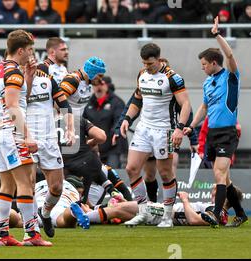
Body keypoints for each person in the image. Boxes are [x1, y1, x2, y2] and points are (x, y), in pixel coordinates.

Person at [0, 30, 51, 247]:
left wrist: (29, 77)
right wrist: (28, 137)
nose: (32, 54)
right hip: (12, 133)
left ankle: (2, 234)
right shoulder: (14, 72)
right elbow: (14, 105)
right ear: (21, 50)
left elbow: (18, 98)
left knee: (6, 186)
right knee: (25, 185)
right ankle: (31, 234)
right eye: (30, 50)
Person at [184, 17, 248, 228]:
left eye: (204, 64)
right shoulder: (207, 83)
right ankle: (240, 214)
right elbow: (203, 108)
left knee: (219, 174)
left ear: (213, 63)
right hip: (211, 132)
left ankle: (216, 213)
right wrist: (192, 125)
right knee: (225, 179)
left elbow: (229, 54)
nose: (202, 68)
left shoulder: (230, 76)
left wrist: (216, 34)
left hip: (227, 132)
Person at [120, 43, 191, 227]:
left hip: (164, 130)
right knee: (131, 168)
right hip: (144, 128)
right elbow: (137, 99)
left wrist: (179, 128)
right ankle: (144, 211)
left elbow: (186, 105)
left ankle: (167, 216)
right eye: (144, 63)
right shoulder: (142, 74)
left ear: (158, 59)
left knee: (165, 173)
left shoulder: (173, 78)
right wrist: (128, 118)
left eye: (150, 64)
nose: (146, 67)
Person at [26, 58, 75, 238]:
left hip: (49, 139)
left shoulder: (48, 81)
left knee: (56, 187)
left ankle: (45, 213)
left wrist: (70, 129)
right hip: (27, 139)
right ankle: (32, 230)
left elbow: (65, 106)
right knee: (28, 186)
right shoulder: (17, 82)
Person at [70, 187, 236, 227]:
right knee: (122, 208)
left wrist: (185, 200)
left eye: (217, 191)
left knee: (120, 209)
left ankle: (86, 217)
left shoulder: (217, 212)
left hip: (164, 214)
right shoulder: (217, 211)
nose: (213, 192)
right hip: (163, 212)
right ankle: (88, 215)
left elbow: (193, 220)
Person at [83, 76, 125, 168]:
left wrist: (114, 133)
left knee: (112, 172)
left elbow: (119, 121)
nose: (98, 87)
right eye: (95, 84)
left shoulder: (117, 102)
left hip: (112, 147)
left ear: (107, 86)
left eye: (101, 84)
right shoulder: (88, 103)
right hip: (94, 146)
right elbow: (83, 121)